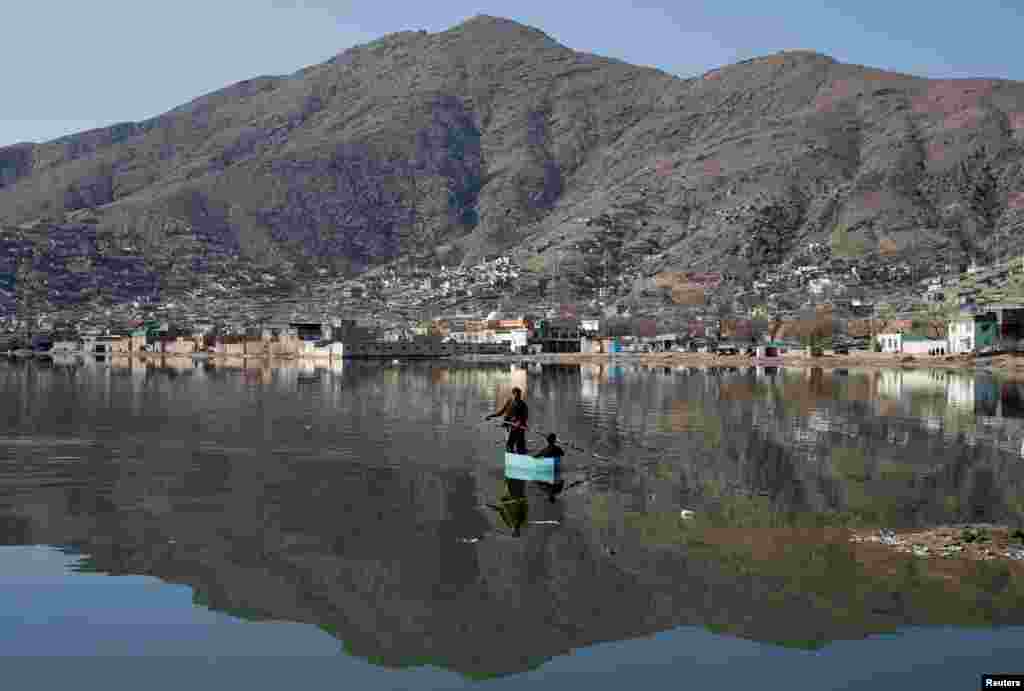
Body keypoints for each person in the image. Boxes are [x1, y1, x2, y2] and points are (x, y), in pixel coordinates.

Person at [486, 386, 529, 453]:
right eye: (516, 395)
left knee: (520, 447)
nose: (518, 397)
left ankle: (521, 456)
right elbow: (501, 412)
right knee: (509, 446)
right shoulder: (509, 401)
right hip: (512, 426)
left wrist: (520, 423)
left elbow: (525, 417)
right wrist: (491, 416)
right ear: (513, 394)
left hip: (520, 428)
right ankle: (513, 456)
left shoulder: (523, 405)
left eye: (519, 395)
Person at [533, 433, 566, 503]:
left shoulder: (545, 450)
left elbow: (537, 456)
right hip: (555, 469)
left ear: (547, 441)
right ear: (554, 441)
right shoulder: (558, 449)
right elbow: (563, 454)